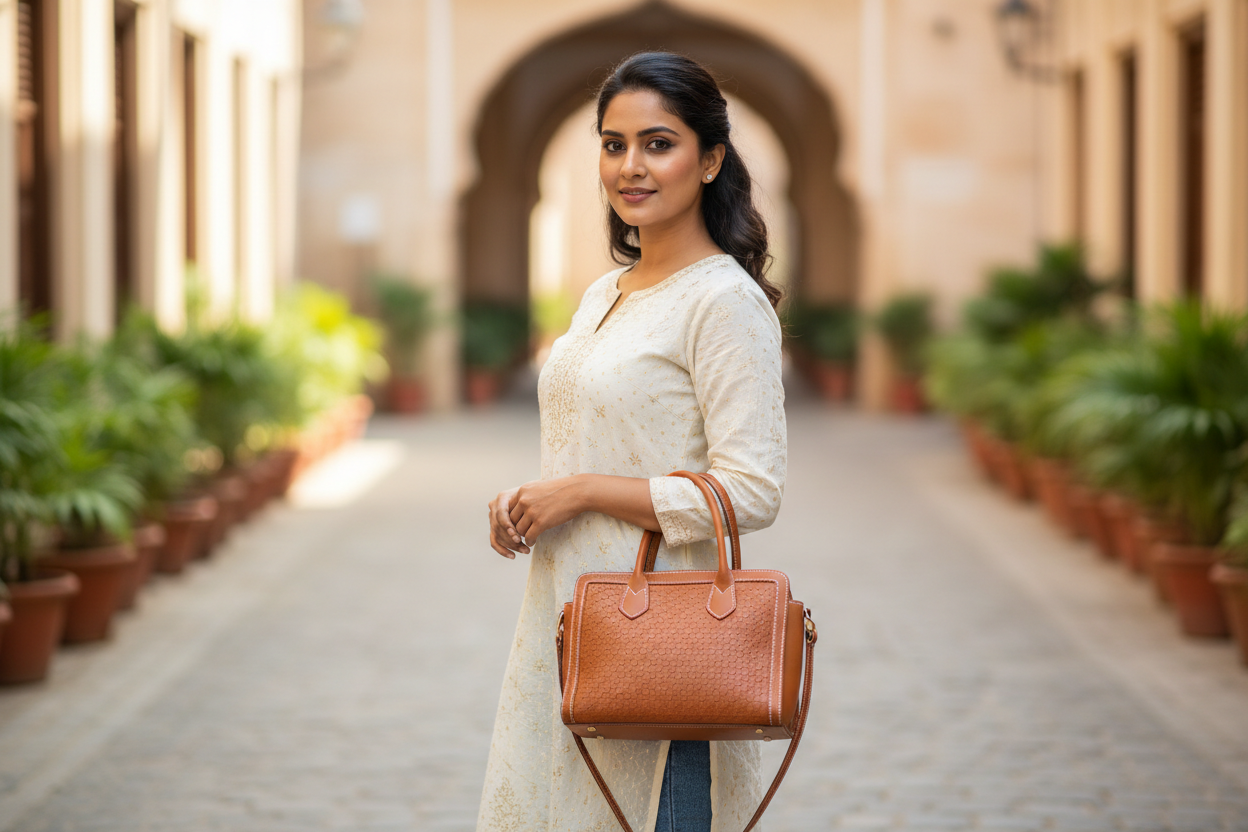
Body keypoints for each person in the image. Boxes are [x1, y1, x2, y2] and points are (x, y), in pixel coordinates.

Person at [477, 51, 787, 832]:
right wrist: (528, 500)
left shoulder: (723, 302)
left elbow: (751, 490)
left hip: (658, 638)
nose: (630, 167)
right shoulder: (603, 294)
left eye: (658, 143)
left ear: (710, 159)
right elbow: (596, 438)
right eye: (614, 145)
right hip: (570, 619)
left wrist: (580, 493)